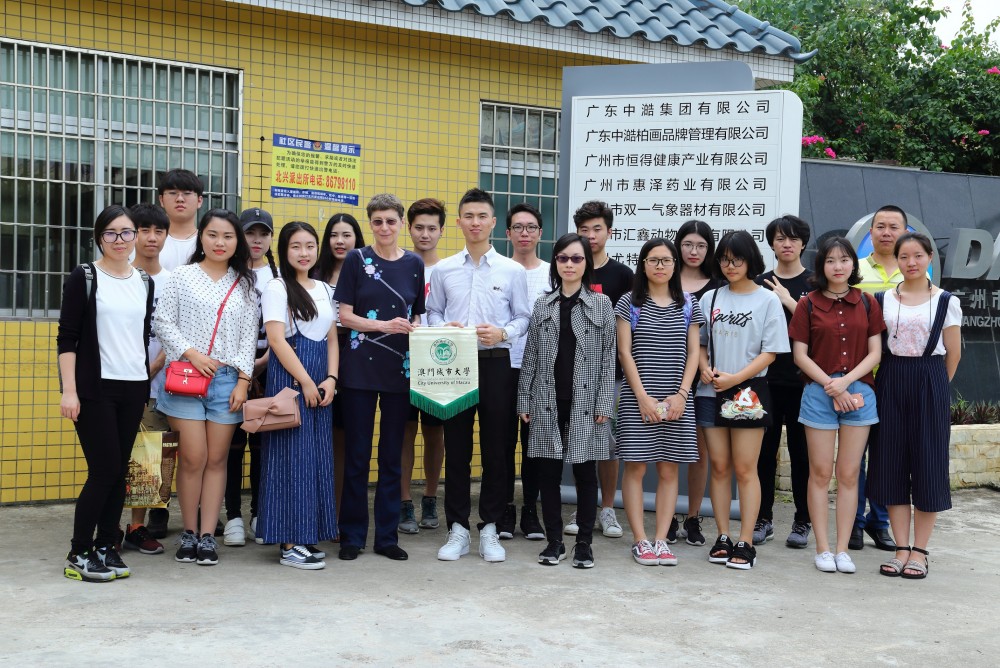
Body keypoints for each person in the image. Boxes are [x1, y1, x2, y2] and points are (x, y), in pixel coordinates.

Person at [427, 188, 530, 563]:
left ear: (492, 224)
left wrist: (503, 333)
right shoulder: (444, 270)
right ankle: (457, 527)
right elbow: (432, 312)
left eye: (481, 216)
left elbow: (523, 317)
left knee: (496, 448)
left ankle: (489, 526)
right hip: (455, 365)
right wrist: (445, 327)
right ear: (458, 222)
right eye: (468, 216)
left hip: (496, 363)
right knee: (455, 447)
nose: (474, 223)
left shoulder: (512, 271)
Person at [154, 209, 259, 566]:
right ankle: (189, 530)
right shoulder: (182, 276)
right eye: (213, 235)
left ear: (237, 243)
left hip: (228, 382)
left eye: (228, 236)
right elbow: (162, 321)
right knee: (193, 458)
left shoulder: (244, 284)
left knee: (217, 460)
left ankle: (206, 536)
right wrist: (192, 353)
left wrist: (244, 381)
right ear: (202, 237)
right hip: (185, 378)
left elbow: (248, 337)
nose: (220, 242)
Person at [58, 205, 154, 581]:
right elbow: (68, 338)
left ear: (135, 237)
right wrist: (70, 391)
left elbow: (140, 337)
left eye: (126, 232)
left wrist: (145, 385)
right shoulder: (85, 276)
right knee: (104, 471)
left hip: (133, 387)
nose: (120, 240)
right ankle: (78, 552)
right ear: (100, 237)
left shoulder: (143, 281)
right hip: (95, 388)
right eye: (111, 233)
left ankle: (104, 546)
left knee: (119, 474)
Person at [335, 194, 425, 562]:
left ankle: (387, 537)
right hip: (358, 370)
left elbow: (417, 314)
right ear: (370, 224)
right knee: (357, 455)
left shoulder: (415, 264)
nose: (384, 228)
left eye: (390, 221)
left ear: (401, 223)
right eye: (377, 222)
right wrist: (382, 325)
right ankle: (351, 537)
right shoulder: (357, 259)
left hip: (399, 371)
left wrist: (415, 327)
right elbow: (344, 315)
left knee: (392, 458)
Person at [518, 233, 615, 568]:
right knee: (548, 474)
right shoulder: (544, 304)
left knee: (587, 473)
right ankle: (555, 541)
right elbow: (530, 356)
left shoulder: (602, 305)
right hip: (546, 399)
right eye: (563, 258)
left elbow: (607, 360)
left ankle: (584, 543)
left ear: (586, 262)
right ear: (555, 263)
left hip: (586, 402)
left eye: (576, 258)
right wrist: (524, 400)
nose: (569, 264)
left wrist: (604, 404)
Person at [789, 237, 884, 574]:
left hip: (858, 391)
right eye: (831, 261)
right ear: (822, 266)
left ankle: (843, 549)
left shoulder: (868, 303)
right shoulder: (808, 304)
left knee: (848, 474)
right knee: (820, 473)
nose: (838, 266)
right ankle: (823, 549)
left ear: (852, 265)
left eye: (844, 260)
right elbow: (800, 355)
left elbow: (875, 352)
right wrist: (831, 385)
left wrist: (844, 382)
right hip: (818, 392)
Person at [869, 233, 961, 579]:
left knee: (928, 463)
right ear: (897, 261)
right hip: (891, 378)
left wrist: (935, 389)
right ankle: (900, 547)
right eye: (904, 256)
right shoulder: (882, 300)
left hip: (930, 379)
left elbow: (954, 353)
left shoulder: (946, 300)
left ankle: (920, 551)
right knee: (891, 461)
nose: (911, 262)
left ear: (929, 259)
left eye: (917, 256)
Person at [697, 230, 788, 570]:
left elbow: (771, 353)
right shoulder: (711, 298)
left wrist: (737, 378)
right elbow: (701, 342)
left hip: (747, 392)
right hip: (711, 390)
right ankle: (723, 535)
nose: (729, 265)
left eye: (736, 259)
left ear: (751, 260)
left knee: (746, 469)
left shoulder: (766, 300)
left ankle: (746, 541)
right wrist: (704, 367)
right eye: (724, 259)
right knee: (719, 467)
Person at [616, 239, 704, 567]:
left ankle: (661, 539)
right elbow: (625, 352)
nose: (660, 267)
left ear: (675, 266)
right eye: (653, 261)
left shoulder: (688, 305)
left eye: (666, 261)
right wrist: (642, 398)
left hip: (677, 399)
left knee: (670, 470)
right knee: (636, 467)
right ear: (643, 265)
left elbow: (695, 352)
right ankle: (640, 539)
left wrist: (682, 394)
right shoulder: (629, 303)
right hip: (639, 398)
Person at [258, 221, 339, 570]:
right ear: (285, 250)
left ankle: (306, 536)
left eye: (309, 245)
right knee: (291, 458)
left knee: (314, 457)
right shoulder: (277, 287)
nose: (303, 252)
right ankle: (289, 543)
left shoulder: (323, 287)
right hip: (291, 378)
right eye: (295, 246)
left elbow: (332, 337)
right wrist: (306, 381)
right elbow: (276, 340)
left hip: (321, 379)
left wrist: (332, 378)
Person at [571, 200, 632, 539]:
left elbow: (629, 328)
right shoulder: (570, 266)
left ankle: (607, 509)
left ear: (609, 232)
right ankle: (583, 510)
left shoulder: (622, 275)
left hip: (611, 377)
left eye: (597, 229)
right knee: (579, 442)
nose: (591, 236)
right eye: (584, 230)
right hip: (573, 376)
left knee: (608, 445)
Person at [850, 205, 909, 551]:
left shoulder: (916, 273)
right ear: (870, 232)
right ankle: (854, 523)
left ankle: (879, 521)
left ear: (904, 231)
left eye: (894, 227)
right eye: (881, 227)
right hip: (859, 377)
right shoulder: (854, 271)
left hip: (896, 378)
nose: (887, 232)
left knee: (889, 456)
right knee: (855, 459)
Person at [754, 215, 814, 549]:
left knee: (802, 456)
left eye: (792, 238)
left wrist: (792, 303)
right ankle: (763, 518)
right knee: (763, 454)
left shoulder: (816, 282)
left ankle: (802, 520)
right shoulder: (759, 282)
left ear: (803, 243)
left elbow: (820, 329)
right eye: (779, 238)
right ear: (772, 244)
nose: (786, 243)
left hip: (805, 384)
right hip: (766, 383)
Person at [223, 208, 279, 547]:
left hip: (271, 365)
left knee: (262, 443)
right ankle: (232, 516)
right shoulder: (227, 273)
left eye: (263, 233)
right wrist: (244, 365)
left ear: (271, 238)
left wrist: (265, 358)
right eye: (249, 233)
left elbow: (287, 329)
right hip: (230, 368)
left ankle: (260, 513)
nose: (256, 240)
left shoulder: (279, 276)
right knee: (230, 445)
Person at [121, 202, 171, 556]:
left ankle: (137, 526)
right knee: (118, 457)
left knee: (153, 459)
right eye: (144, 230)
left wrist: (152, 369)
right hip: (122, 384)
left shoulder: (174, 281)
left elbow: (180, 332)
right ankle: (110, 525)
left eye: (159, 231)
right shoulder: (119, 277)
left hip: (165, 386)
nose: (151, 238)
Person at [501, 202, 549, 541]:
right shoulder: (498, 269)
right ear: (507, 233)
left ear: (540, 233)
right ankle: (504, 509)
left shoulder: (552, 272)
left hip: (540, 372)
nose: (524, 233)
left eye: (530, 227)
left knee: (535, 445)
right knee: (502, 443)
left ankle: (531, 511)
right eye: (518, 227)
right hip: (502, 367)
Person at [399, 198, 447, 534]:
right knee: (404, 433)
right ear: (408, 228)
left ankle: (430, 497)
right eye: (419, 228)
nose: (425, 234)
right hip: (400, 361)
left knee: (435, 433)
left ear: (442, 231)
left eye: (432, 228)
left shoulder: (448, 269)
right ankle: (404, 502)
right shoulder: (397, 265)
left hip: (438, 362)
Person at [314, 213, 365, 521]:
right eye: (334, 235)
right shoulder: (314, 273)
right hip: (317, 357)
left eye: (347, 234)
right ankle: (320, 510)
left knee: (346, 439)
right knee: (322, 438)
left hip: (355, 357)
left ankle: (340, 512)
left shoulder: (367, 272)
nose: (340, 241)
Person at [673, 220, 720, 547]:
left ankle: (692, 517)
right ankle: (668, 516)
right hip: (663, 375)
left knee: (698, 453)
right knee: (668, 453)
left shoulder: (717, 286)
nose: (693, 251)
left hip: (702, 379)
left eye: (701, 245)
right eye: (688, 244)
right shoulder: (663, 279)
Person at [157, 168, 204, 272]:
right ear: (161, 200)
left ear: (199, 200)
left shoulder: (207, 242)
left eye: (187, 193)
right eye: (173, 193)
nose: (180, 199)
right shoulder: (147, 241)